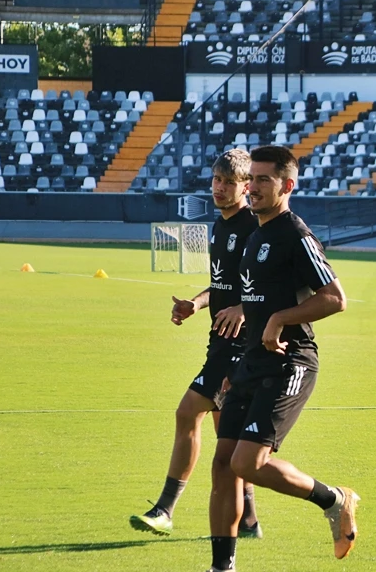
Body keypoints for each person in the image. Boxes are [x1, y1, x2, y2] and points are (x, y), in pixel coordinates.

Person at [206, 145, 358, 572]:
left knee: (247, 462)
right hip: (253, 362)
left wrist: (279, 319)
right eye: (250, 179)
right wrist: (237, 368)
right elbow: (253, 307)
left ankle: (335, 499)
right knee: (224, 464)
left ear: (287, 186)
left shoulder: (296, 234)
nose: (251, 188)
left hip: (291, 362)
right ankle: (223, 567)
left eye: (263, 180)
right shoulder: (255, 234)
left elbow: (335, 298)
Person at [130, 149, 263, 539]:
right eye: (216, 181)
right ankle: (250, 521)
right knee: (231, 441)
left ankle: (165, 509)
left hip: (241, 346)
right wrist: (197, 302)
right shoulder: (220, 227)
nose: (219, 188)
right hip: (219, 341)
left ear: (245, 186)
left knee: (187, 414)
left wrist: (241, 307)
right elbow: (224, 286)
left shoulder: (254, 227)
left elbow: (267, 289)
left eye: (229, 183)